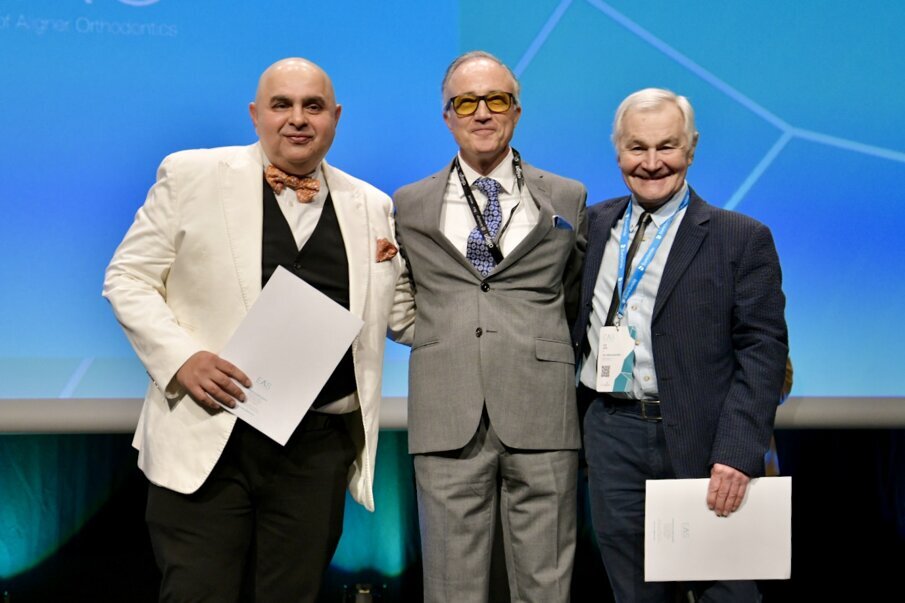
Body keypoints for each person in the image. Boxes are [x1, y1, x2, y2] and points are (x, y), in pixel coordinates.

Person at [103, 57, 403, 602]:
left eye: (313, 106)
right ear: (254, 114)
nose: (298, 119)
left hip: (315, 449)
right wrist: (181, 359)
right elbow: (127, 278)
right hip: (210, 435)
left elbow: (401, 316)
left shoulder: (373, 206)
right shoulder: (192, 175)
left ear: (335, 117)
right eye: (281, 105)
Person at [571, 88, 788, 602]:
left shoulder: (741, 238)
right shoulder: (594, 225)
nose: (651, 163)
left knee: (727, 594)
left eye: (666, 147)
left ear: (691, 149)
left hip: (703, 439)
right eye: (636, 148)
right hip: (612, 433)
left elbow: (763, 353)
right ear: (617, 151)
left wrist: (738, 452)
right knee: (634, 591)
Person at [389, 50, 587, 603]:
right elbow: (399, 293)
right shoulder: (409, 204)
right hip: (446, 409)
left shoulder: (566, 196)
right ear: (447, 116)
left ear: (516, 111)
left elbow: (574, 293)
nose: (482, 113)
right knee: (451, 586)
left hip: (542, 409)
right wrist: (438, 336)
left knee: (546, 583)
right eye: (465, 102)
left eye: (495, 99)